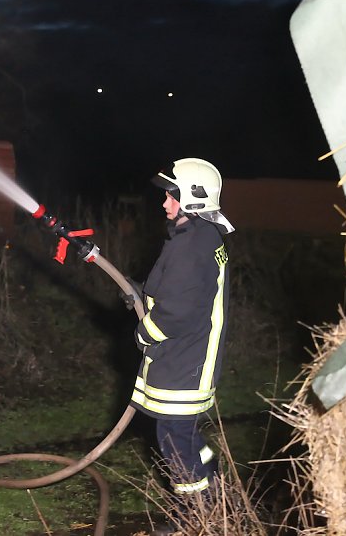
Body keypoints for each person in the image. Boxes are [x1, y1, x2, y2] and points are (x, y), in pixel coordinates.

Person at [130, 157, 234, 535]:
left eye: (171, 196)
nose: (165, 204)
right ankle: (220, 499)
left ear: (192, 199)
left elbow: (178, 312)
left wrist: (145, 332)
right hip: (187, 357)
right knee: (188, 440)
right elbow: (174, 288)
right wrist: (138, 292)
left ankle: (197, 520)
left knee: (175, 444)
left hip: (186, 361)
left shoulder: (193, 246)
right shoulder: (197, 238)